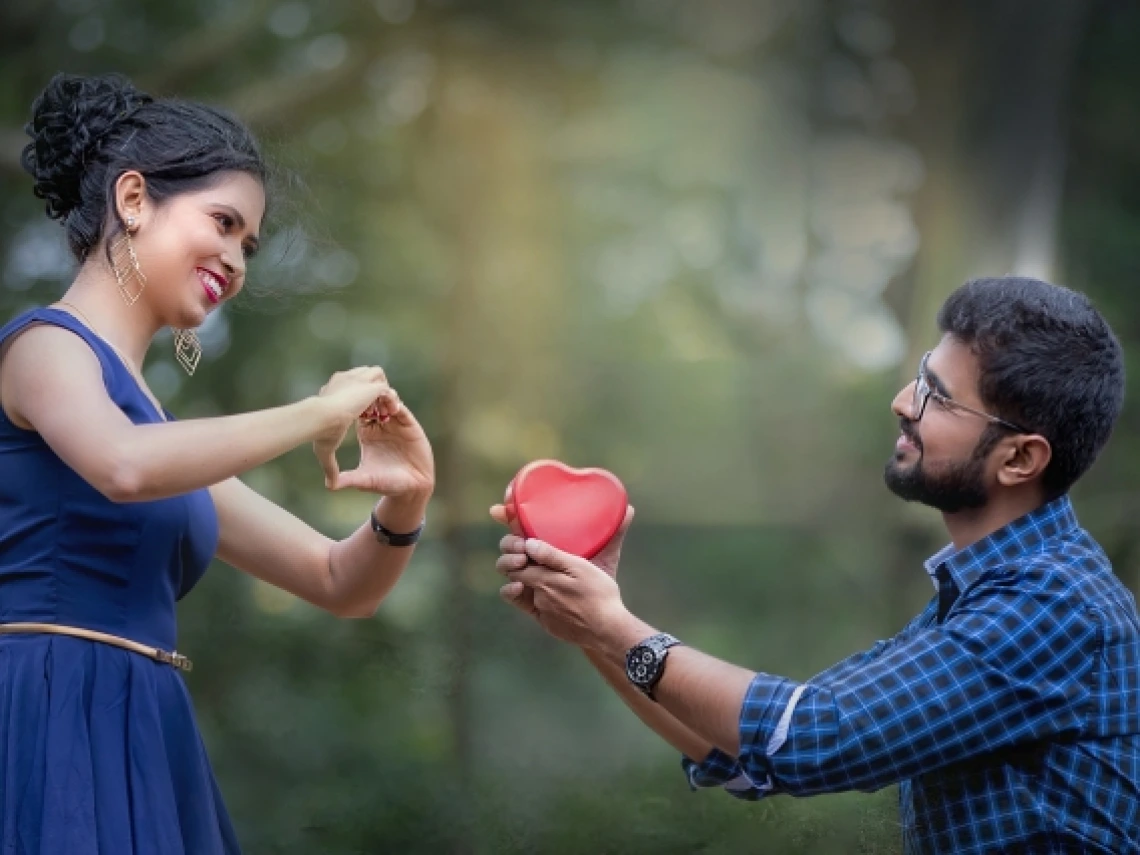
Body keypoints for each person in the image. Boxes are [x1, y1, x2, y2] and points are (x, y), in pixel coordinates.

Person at [493, 276, 1140, 854]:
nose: (903, 401)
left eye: (938, 397)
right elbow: (750, 755)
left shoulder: (1053, 607)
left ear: (1020, 460)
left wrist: (613, 627)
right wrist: (594, 625)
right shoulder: (987, 595)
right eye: (919, 375)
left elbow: (812, 736)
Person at [0, 73, 434, 854]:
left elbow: (341, 582)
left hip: (144, 727)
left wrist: (404, 503)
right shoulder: (44, 347)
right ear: (134, 200)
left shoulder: (162, 429)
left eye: (249, 245)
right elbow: (122, 465)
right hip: (48, 708)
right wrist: (314, 412)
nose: (236, 261)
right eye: (223, 223)